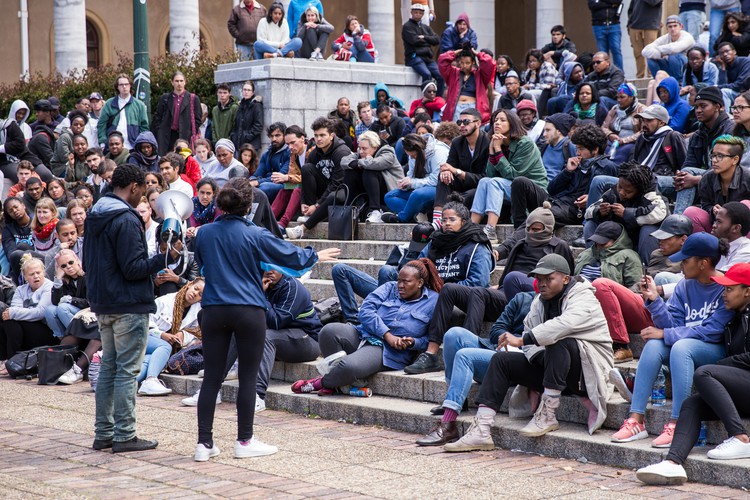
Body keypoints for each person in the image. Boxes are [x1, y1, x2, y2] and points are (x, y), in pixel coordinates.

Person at [192, 176, 338, 461]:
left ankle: (203, 444)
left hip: (213, 309)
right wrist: (314, 255)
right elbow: (290, 257)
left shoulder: (205, 233)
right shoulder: (255, 233)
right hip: (247, 309)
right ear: (250, 205)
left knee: (211, 378)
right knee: (247, 377)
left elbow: (205, 267)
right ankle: (244, 441)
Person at [443, 254, 613, 451]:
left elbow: (564, 324)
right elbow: (529, 340)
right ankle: (481, 429)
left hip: (586, 371)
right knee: (501, 360)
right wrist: (538, 354)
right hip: (554, 373)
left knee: (560, 342)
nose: (542, 284)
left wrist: (523, 340)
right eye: (539, 279)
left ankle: (548, 415)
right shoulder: (538, 302)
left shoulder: (584, 296)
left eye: (549, 279)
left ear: (566, 279)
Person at [84, 163, 182, 453]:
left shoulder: (96, 213)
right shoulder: (126, 219)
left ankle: (104, 432)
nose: (143, 198)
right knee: (126, 371)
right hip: (128, 304)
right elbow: (133, 268)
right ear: (135, 186)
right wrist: (162, 256)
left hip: (104, 302)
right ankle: (124, 434)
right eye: (143, 191)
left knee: (110, 368)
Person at [611, 232, 732, 449]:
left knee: (680, 347)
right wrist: (655, 301)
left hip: (716, 352)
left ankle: (678, 422)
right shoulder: (684, 286)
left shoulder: (725, 287)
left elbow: (713, 331)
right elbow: (671, 324)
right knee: (654, 345)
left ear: (704, 263)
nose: (681, 266)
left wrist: (667, 335)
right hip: (685, 347)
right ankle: (636, 419)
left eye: (686, 261)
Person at [635, 262, 750, 485]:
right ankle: (673, 463)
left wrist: (723, 364)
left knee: (705, 373)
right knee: (690, 404)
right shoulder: (732, 316)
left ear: (747, 291)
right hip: (741, 388)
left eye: (729, 289)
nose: (724, 294)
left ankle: (740, 437)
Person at [292, 258, 441, 395]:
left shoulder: (434, 302)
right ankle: (340, 382)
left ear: (420, 283)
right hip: (363, 334)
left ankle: (320, 383)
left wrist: (413, 342)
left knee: (348, 366)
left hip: (386, 351)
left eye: (406, 282)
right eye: (399, 281)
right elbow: (366, 310)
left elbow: (432, 337)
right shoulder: (390, 287)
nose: (400, 286)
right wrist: (387, 334)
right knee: (328, 331)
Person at [471, 109, 546, 239]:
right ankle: (471, 227)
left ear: (512, 123)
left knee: (494, 182)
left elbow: (514, 175)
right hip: (510, 187)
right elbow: (490, 174)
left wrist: (498, 149)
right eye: (495, 120)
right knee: (484, 181)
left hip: (533, 190)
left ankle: (490, 229)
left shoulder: (525, 143)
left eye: (502, 120)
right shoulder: (498, 143)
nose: (497, 123)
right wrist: (492, 150)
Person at [256, 270, 322, 409]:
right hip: (283, 338)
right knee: (237, 325)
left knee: (266, 337)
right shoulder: (263, 284)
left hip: (308, 341)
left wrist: (260, 295)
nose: (269, 271)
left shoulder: (293, 288)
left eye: (274, 267)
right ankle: (216, 382)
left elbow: (276, 322)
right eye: (266, 267)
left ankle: (257, 395)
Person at [584, 161, 667, 263]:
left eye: (628, 192)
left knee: (648, 230)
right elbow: (589, 211)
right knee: (590, 224)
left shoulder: (650, 195)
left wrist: (626, 213)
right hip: (620, 239)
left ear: (639, 191)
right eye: (620, 187)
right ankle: (594, 262)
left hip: (639, 242)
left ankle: (647, 268)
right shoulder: (613, 192)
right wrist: (600, 212)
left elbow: (660, 213)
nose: (621, 193)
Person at [137, 278, 204, 396]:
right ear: (189, 285)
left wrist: (183, 334)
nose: (195, 294)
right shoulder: (165, 300)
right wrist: (162, 335)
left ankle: (125, 384)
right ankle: (151, 380)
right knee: (165, 346)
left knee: (149, 360)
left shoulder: (197, 311)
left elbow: (196, 332)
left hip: (159, 349)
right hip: (141, 336)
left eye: (200, 294)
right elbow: (144, 321)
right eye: (195, 288)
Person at [285, 118, 350, 239]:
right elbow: (306, 178)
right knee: (307, 168)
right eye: (316, 135)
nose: (318, 139)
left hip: (344, 190)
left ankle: (304, 227)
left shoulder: (341, 152)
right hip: (327, 189)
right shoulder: (315, 153)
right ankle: (308, 212)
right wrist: (304, 202)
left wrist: (318, 205)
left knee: (333, 195)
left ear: (331, 136)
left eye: (322, 135)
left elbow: (337, 183)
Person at [431, 108, 490, 230]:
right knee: (443, 178)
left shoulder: (487, 142)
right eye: (459, 122)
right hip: (462, 184)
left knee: (467, 195)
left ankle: (451, 218)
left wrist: (456, 171)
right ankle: (437, 221)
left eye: (466, 122)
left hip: (481, 187)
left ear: (478, 123)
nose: (462, 126)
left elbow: (485, 177)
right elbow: (450, 165)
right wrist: (446, 171)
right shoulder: (457, 142)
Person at [630, 105, 692, 212]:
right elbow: (635, 162)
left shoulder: (673, 136)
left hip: (665, 179)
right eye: (643, 120)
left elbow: (685, 165)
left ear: (661, 122)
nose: (644, 124)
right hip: (641, 177)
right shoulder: (642, 138)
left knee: (650, 181)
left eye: (649, 120)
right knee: (600, 181)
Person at [684, 135, 750, 232]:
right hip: (717, 224)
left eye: (720, 156)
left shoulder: (747, 178)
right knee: (691, 212)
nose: (714, 160)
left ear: (735, 159)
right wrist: (713, 210)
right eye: (713, 155)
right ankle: (710, 245)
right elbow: (706, 205)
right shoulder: (706, 178)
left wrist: (729, 212)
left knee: (746, 204)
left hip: (741, 229)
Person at [0, 254, 54, 367]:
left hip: (45, 331)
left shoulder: (49, 287)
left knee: (10, 320)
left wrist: (15, 313)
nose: (36, 276)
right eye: (31, 274)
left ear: (43, 272)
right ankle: (8, 360)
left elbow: (41, 312)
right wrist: (15, 313)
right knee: (9, 322)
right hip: (26, 329)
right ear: (25, 277)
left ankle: (10, 361)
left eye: (38, 273)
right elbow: (14, 308)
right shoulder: (21, 289)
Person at [382, 133, 448, 224]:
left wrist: (412, 183)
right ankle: (416, 214)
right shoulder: (412, 154)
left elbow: (435, 180)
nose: (412, 158)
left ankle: (402, 217)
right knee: (389, 196)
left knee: (417, 194)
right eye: (410, 156)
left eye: (413, 156)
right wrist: (406, 184)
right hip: (420, 189)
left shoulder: (438, 151)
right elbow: (411, 175)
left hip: (441, 189)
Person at [340, 131, 404, 223]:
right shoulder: (361, 154)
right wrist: (357, 163)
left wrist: (358, 162)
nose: (361, 151)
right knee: (350, 172)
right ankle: (351, 209)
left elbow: (375, 163)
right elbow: (343, 161)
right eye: (359, 148)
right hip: (372, 191)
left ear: (375, 147)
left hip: (390, 192)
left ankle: (375, 210)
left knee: (369, 171)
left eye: (364, 148)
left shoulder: (388, 152)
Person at [439, 45, 495, 124]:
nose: (464, 65)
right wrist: (454, 53)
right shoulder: (453, 73)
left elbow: (489, 63)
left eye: (467, 63)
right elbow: (442, 60)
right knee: (456, 132)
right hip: (456, 107)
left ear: (473, 62)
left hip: (473, 107)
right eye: (461, 63)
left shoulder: (480, 74)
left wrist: (477, 54)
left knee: (472, 133)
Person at [152, 71, 202, 156]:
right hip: (167, 135)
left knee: (183, 158)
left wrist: (190, 132)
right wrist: (159, 131)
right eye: (176, 81)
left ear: (185, 82)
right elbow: (157, 117)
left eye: (181, 81)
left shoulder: (192, 98)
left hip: (185, 135)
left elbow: (198, 118)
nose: (179, 83)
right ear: (172, 82)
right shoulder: (165, 98)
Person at [98, 74, 150, 152]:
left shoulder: (139, 105)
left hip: (132, 147)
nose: (124, 87)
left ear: (130, 85)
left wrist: (140, 143)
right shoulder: (109, 103)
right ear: (117, 87)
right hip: (113, 147)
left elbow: (144, 126)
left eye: (126, 84)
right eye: (121, 85)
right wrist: (103, 142)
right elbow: (101, 124)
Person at [402, 3, 443, 96]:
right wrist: (428, 40)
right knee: (427, 74)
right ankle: (426, 99)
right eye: (415, 12)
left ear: (423, 14)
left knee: (440, 76)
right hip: (414, 57)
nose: (417, 14)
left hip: (427, 58)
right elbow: (414, 40)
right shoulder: (407, 26)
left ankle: (438, 100)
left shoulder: (426, 27)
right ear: (411, 13)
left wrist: (424, 37)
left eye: (420, 13)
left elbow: (437, 40)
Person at [642, 15, 695, 80]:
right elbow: (645, 51)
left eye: (675, 26)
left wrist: (661, 52)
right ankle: (659, 81)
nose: (673, 29)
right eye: (670, 27)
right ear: (667, 29)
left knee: (673, 57)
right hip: (670, 67)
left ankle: (679, 81)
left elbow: (674, 48)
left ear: (681, 27)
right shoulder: (665, 38)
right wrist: (660, 54)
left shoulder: (687, 37)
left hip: (688, 68)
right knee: (650, 59)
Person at [250, 122, 290, 202]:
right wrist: (250, 181)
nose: (274, 139)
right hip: (266, 182)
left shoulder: (289, 152)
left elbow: (278, 177)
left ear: (285, 136)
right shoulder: (267, 154)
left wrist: (257, 182)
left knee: (264, 187)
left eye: (277, 135)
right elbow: (258, 174)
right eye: (272, 136)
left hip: (283, 184)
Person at [627, 0, 662, 78]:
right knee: (638, 53)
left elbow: (653, 2)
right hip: (635, 26)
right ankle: (640, 76)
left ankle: (651, 75)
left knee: (652, 53)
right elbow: (630, 10)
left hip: (651, 25)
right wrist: (629, 25)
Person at [712, 202, 750, 272]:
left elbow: (723, 278)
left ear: (736, 228)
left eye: (719, 221)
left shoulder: (747, 252)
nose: (714, 225)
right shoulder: (716, 244)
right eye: (715, 221)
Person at [588, 0, 624, 70]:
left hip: (614, 24)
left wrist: (601, 3)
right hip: (598, 25)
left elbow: (618, 1)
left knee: (616, 49)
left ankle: (620, 73)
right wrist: (611, 4)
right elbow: (592, 5)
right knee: (602, 52)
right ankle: (605, 73)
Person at [716, 42, 750, 111]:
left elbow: (739, 85)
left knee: (724, 91)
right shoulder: (724, 65)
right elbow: (722, 85)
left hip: (745, 93)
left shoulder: (746, 62)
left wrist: (717, 87)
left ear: (734, 52)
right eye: (722, 53)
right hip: (735, 94)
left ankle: (726, 118)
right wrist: (723, 68)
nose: (725, 54)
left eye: (727, 51)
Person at [231, 81, 263, 152]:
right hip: (238, 144)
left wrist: (247, 137)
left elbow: (259, 125)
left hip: (251, 145)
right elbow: (236, 124)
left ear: (253, 92)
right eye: (244, 90)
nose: (246, 92)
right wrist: (234, 136)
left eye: (248, 90)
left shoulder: (256, 105)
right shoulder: (240, 105)